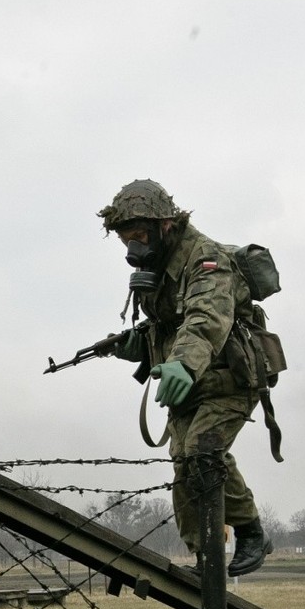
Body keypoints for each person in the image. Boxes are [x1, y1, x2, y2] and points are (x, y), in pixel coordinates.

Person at [97, 178, 273, 576]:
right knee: (185, 464)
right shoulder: (153, 267)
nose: (134, 248)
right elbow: (166, 328)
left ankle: (251, 533)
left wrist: (184, 364)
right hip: (189, 384)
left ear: (166, 225)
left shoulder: (206, 258)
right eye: (126, 241)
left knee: (201, 453)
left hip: (229, 377)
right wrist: (135, 347)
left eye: (140, 236)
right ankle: (206, 556)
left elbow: (206, 319)